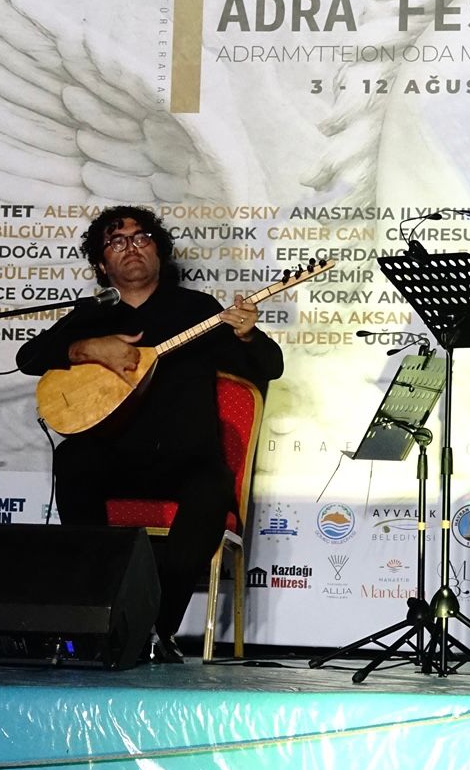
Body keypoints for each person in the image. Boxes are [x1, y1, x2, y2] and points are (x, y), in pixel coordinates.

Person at [17, 205, 284, 663]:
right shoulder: (92, 315)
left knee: (212, 486)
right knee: (74, 459)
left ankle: (155, 627)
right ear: (102, 264)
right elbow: (29, 358)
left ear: (158, 251)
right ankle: (99, 611)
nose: (132, 247)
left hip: (186, 459)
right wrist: (87, 347)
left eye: (142, 238)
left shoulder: (197, 310)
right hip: (115, 457)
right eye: (117, 241)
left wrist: (247, 335)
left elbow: (270, 366)